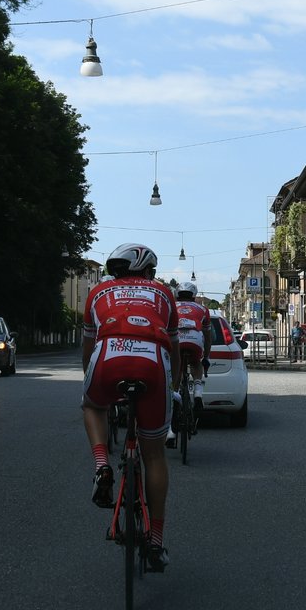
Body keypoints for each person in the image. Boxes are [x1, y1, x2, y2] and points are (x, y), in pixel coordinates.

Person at [80, 243, 179, 571]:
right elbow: (174, 346)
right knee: (154, 456)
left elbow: (87, 346)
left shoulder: (97, 293)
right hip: (153, 361)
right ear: (148, 270)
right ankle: (156, 541)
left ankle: (100, 465)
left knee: (92, 405)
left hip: (109, 355)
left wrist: (92, 382)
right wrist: (174, 385)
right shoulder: (163, 293)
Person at [168, 281, 212, 448]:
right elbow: (207, 336)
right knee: (196, 362)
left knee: (177, 373)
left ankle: (171, 432)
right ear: (194, 295)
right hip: (195, 338)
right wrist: (205, 356)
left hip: (177, 340)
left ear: (177, 295)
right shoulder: (202, 309)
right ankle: (198, 393)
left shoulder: (171, 307)